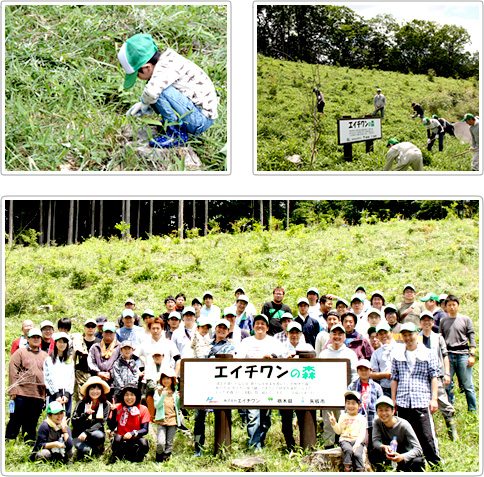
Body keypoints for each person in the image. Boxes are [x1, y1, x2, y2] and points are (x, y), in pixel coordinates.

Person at [118, 33, 218, 148]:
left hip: (200, 120)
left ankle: (177, 133)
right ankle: (171, 124)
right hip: (197, 114)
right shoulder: (167, 61)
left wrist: (144, 103)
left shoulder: (165, 68)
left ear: (146, 67)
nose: (138, 78)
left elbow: (151, 92)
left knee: (158, 92)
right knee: (155, 90)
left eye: (137, 75)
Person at [391, 322, 441, 466]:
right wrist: (393, 400)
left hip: (421, 400)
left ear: (416, 334)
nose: (408, 338)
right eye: (405, 335)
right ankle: (407, 465)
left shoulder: (428, 353)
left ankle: (435, 464)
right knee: (405, 436)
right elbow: (395, 378)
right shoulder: (398, 354)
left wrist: (434, 399)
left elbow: (434, 377)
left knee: (427, 435)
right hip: (403, 401)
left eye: (410, 334)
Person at [236, 314, 285, 450]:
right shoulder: (246, 342)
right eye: (257, 323)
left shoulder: (273, 341)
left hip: (268, 385)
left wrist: (272, 356)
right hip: (250, 385)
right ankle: (254, 446)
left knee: (265, 418)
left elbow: (281, 353)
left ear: (267, 327)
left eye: (263, 324)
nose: (259, 326)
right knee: (252, 416)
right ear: (253, 327)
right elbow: (238, 359)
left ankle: (260, 441)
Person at [194, 318, 237, 456]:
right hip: (204, 384)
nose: (221, 330)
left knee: (223, 416)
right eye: (219, 327)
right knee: (199, 418)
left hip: (221, 386)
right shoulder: (206, 343)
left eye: (225, 328)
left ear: (228, 330)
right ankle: (198, 447)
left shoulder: (231, 346)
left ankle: (221, 447)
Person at [319, 323, 359, 448]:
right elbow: (319, 374)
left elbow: (354, 374)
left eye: (340, 334)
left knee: (345, 421)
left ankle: (345, 447)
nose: (337, 336)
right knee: (328, 422)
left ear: (344, 336)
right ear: (330, 335)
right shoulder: (324, 354)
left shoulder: (350, 353)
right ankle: (328, 447)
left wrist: (350, 393)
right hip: (328, 395)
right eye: (334, 333)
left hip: (344, 395)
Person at [6, 328, 49, 443]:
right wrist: (13, 389)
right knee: (16, 418)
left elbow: (49, 374)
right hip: (21, 392)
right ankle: (10, 440)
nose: (36, 339)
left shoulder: (45, 355)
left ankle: (29, 441)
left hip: (38, 394)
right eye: (33, 337)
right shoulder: (20, 352)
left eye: (38, 337)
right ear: (28, 339)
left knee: (32, 420)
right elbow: (13, 370)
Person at [419, 311, 457, 440]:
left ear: (432, 322)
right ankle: (430, 433)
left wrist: (447, 373)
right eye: (424, 320)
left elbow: (445, 356)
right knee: (424, 405)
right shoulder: (417, 338)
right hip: (422, 376)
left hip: (437, 374)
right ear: (420, 323)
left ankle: (452, 432)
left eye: (429, 320)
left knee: (442, 401)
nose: (426, 322)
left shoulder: (438, 337)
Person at [439, 295, 477, 412]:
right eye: (449, 305)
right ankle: (450, 409)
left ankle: (473, 410)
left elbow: (472, 336)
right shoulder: (443, 321)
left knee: (468, 385)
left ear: (458, 305)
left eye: (454, 305)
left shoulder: (465, 319)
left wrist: (472, 354)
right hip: (448, 354)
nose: (452, 307)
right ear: (446, 306)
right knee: (447, 384)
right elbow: (441, 338)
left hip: (463, 354)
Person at [369, 396, 425, 472]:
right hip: (389, 454)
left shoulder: (404, 425)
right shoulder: (377, 422)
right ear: (377, 412)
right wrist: (384, 447)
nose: (383, 413)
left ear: (393, 411)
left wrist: (402, 457)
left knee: (418, 461)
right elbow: (375, 441)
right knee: (373, 453)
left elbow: (418, 449)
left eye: (387, 410)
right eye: (380, 410)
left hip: (404, 455)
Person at [108, 383, 151, 462]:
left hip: (135, 439)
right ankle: (118, 457)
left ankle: (137, 458)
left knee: (144, 443)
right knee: (117, 439)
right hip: (122, 439)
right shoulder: (117, 407)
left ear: (136, 396)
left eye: (132, 395)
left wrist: (132, 433)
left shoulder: (143, 409)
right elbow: (111, 427)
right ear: (123, 396)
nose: (129, 398)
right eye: (126, 395)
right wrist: (114, 412)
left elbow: (145, 429)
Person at [71, 376, 110, 459]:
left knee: (98, 435)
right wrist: (85, 414)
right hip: (79, 434)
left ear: (101, 391)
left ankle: (97, 449)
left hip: (93, 433)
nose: (95, 392)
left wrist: (86, 432)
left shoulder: (105, 405)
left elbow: (101, 423)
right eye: (92, 389)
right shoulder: (81, 404)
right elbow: (74, 422)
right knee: (85, 452)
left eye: (98, 389)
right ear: (88, 390)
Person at [347, 360, 383, 450]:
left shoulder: (376, 387)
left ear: (370, 371)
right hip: (356, 420)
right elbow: (347, 403)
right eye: (361, 370)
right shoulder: (352, 386)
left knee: (372, 444)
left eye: (366, 370)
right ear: (357, 371)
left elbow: (380, 404)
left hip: (372, 420)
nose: (363, 372)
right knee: (358, 444)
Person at [328, 390, 367, 472]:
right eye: (348, 403)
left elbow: (362, 433)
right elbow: (338, 431)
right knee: (348, 450)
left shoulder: (362, 418)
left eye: (353, 403)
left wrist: (357, 443)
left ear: (359, 406)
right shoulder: (343, 416)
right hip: (345, 440)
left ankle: (360, 470)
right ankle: (347, 469)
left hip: (357, 441)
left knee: (357, 454)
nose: (350, 406)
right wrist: (334, 423)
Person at [44, 332, 75, 418]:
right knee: (52, 419)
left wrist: (67, 394)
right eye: (60, 342)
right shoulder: (49, 360)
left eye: (64, 342)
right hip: (53, 395)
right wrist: (56, 394)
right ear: (55, 343)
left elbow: (71, 378)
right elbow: (48, 378)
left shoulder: (70, 360)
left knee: (66, 418)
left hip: (66, 395)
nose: (62, 344)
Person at [153, 368, 181, 462]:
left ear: (172, 380)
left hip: (173, 420)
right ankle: (158, 458)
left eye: (168, 378)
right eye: (164, 378)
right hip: (161, 420)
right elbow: (157, 405)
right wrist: (163, 395)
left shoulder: (175, 392)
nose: (166, 380)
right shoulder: (158, 391)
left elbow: (177, 407)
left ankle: (165, 460)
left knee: (169, 443)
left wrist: (178, 398)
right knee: (160, 442)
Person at [72, 318, 101, 402]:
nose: (90, 328)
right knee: (81, 399)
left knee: (95, 399)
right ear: (84, 328)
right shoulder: (78, 342)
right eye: (88, 326)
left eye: (92, 326)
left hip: (94, 374)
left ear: (95, 328)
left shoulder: (99, 342)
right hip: (80, 374)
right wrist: (73, 375)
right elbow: (73, 360)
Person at [87, 322, 121, 393]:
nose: (108, 334)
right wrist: (98, 373)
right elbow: (90, 362)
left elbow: (121, 363)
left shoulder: (120, 347)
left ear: (114, 333)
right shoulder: (95, 347)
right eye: (106, 332)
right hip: (97, 383)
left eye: (111, 332)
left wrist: (110, 374)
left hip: (114, 384)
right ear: (102, 333)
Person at [370, 323, 397, 398]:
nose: (384, 336)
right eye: (381, 334)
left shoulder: (400, 349)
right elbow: (372, 374)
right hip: (384, 389)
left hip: (400, 386)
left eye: (386, 333)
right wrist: (384, 375)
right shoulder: (376, 353)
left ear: (391, 333)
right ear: (378, 336)